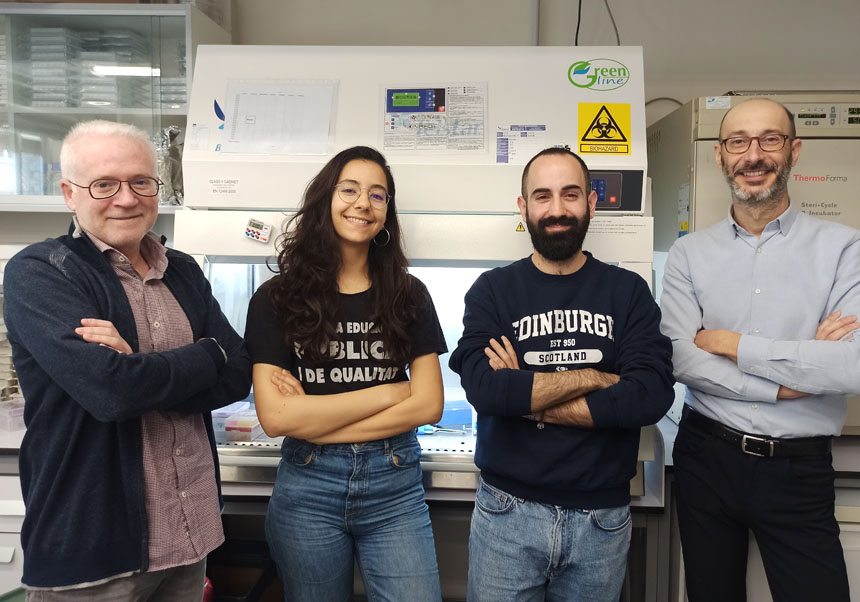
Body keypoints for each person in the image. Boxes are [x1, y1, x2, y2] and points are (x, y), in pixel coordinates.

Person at [2, 120, 252, 598]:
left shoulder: (181, 269)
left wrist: (139, 366)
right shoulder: (40, 272)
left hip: (189, 531)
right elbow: (110, 392)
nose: (127, 198)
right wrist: (205, 354)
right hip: (95, 546)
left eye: (141, 181)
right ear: (69, 193)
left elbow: (238, 372)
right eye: (104, 184)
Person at [448, 147, 674, 602]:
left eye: (570, 195)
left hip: (601, 519)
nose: (556, 209)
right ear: (523, 207)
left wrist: (526, 397)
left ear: (592, 202)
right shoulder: (493, 291)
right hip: (507, 512)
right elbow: (487, 390)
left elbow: (649, 395)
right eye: (542, 196)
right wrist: (596, 376)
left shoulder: (628, 291)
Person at [660, 97, 860, 602]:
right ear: (720, 156)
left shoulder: (844, 249)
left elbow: (852, 365)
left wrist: (732, 345)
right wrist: (788, 383)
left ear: (794, 151)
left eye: (769, 140)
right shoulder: (689, 254)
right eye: (738, 142)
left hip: (798, 468)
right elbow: (679, 357)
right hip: (706, 458)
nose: (754, 155)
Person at [244, 146, 446, 601]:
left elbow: (430, 405)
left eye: (378, 195)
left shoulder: (409, 294)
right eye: (350, 189)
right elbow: (276, 419)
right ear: (325, 199)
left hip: (395, 486)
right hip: (308, 490)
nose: (363, 203)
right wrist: (393, 393)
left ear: (387, 213)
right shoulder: (278, 297)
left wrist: (313, 416)